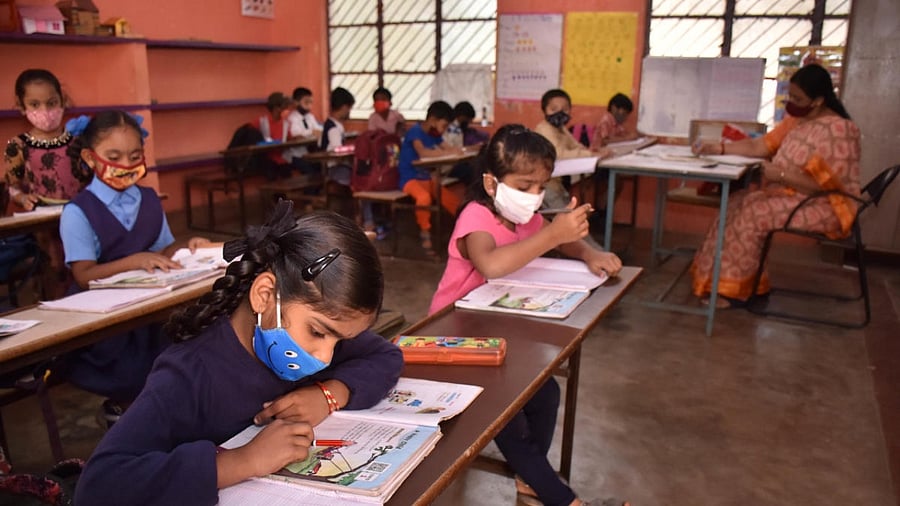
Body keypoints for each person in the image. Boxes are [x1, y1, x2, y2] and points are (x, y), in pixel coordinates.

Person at [74, 201, 404, 506]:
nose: (326, 356)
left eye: (339, 340)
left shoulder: (314, 327)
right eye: (318, 333)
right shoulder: (189, 374)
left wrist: (330, 394)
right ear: (264, 295)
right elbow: (99, 485)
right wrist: (240, 462)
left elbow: (386, 356)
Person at [428, 125, 625, 506]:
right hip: (453, 337)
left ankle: (529, 478)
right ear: (491, 182)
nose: (534, 196)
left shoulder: (521, 217)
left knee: (546, 393)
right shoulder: (476, 218)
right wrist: (552, 237)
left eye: (541, 186)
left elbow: (563, 237)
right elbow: (492, 264)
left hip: (498, 327)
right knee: (507, 415)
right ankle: (564, 499)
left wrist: (590, 254)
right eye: (525, 185)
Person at [59, 110, 213, 424]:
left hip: (150, 307)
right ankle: (127, 409)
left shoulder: (149, 198)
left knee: (192, 340)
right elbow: (83, 275)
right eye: (113, 156)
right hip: (106, 322)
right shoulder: (77, 211)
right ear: (90, 157)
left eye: (134, 156)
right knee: (138, 367)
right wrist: (133, 261)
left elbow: (162, 250)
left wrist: (187, 246)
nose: (126, 165)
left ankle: (166, 410)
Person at [690, 63, 861, 307]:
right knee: (736, 203)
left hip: (824, 205)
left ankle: (734, 293)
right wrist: (719, 148)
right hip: (790, 195)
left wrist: (779, 174)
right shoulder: (796, 121)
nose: (790, 102)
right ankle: (730, 281)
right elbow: (760, 147)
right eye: (790, 95)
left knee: (752, 213)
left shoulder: (840, 131)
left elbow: (825, 188)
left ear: (818, 100)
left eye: (797, 98)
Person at [3, 69, 92, 298]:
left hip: (80, 215)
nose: (45, 111)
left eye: (51, 102)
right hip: (43, 221)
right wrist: (22, 198)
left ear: (62, 100)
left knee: (83, 263)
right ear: (21, 106)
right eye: (34, 104)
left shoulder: (77, 142)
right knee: (54, 267)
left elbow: (89, 178)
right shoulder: (18, 146)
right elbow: (12, 185)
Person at [398, 100, 465, 253]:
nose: (444, 130)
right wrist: (449, 152)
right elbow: (423, 152)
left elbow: (448, 148)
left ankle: (463, 226)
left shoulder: (434, 134)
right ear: (433, 120)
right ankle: (425, 233)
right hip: (409, 178)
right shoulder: (415, 131)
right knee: (424, 198)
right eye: (444, 126)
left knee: (447, 196)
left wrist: (456, 150)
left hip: (425, 178)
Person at [444, 101, 490, 187]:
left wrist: (473, 148)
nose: (469, 123)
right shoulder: (450, 128)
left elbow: (459, 148)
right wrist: (469, 149)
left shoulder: (458, 129)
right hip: (448, 166)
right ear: (462, 116)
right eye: (468, 119)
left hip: (455, 162)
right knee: (473, 171)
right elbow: (452, 148)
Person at [250, 92, 294, 180]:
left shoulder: (286, 123)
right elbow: (250, 138)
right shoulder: (260, 122)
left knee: (288, 177)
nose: (287, 109)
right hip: (267, 159)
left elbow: (289, 139)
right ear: (276, 108)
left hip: (283, 158)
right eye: (284, 106)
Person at [319, 87, 355, 188]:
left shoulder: (335, 124)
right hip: (335, 168)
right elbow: (337, 149)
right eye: (349, 108)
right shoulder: (333, 128)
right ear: (344, 107)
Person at [285, 87, 322, 175]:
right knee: (310, 172)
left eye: (311, 102)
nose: (309, 106)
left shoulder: (310, 117)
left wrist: (315, 131)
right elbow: (296, 135)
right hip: (296, 156)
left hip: (309, 153)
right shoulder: (292, 118)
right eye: (306, 102)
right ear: (296, 102)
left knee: (322, 167)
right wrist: (311, 132)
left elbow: (319, 129)